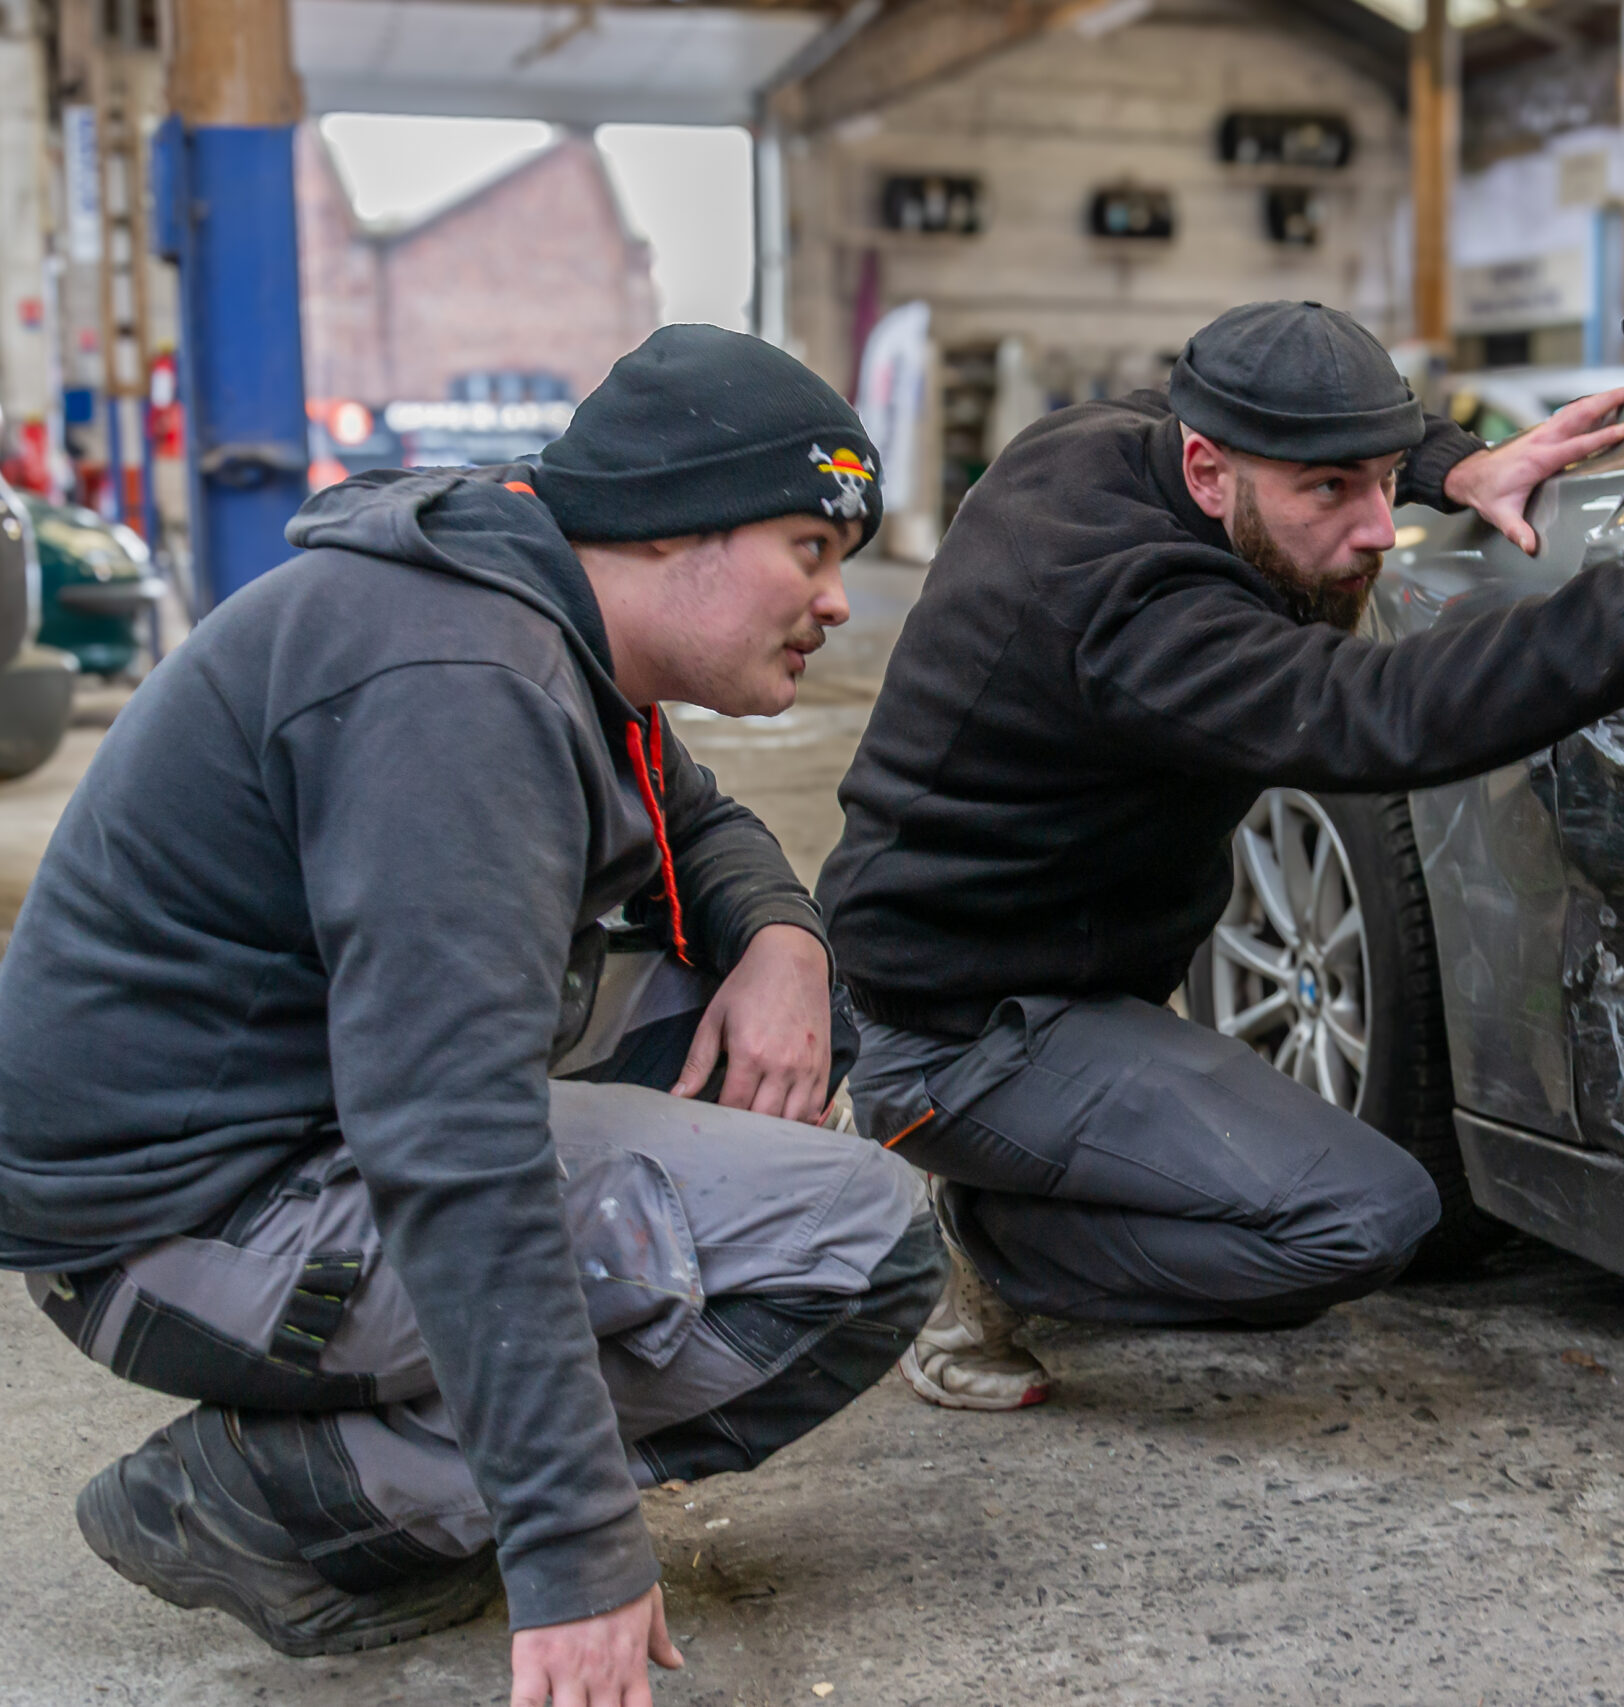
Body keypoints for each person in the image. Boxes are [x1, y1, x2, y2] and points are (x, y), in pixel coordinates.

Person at [0, 324, 943, 1707]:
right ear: (679, 527)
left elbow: (695, 818)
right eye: (810, 547)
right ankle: (277, 1497)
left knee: (776, 1021)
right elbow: (453, 1134)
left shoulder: (531, 605)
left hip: (290, 1111)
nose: (840, 600)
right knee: (857, 1247)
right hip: (171, 1225)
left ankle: (405, 1445)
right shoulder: (462, 686)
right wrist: (575, 1546)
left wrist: (789, 943)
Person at [818, 299, 1624, 1410]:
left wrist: (1455, 468)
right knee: (1357, 1224)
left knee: (1286, 1184)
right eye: (1329, 492)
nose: (1371, 531)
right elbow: (1389, 711)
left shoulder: (1099, 441)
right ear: (1208, 475)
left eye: (1378, 478)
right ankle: (976, 1237)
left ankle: (1019, 1182)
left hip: (1058, 977)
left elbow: (1294, 450)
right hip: (959, 1031)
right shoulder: (1130, 612)